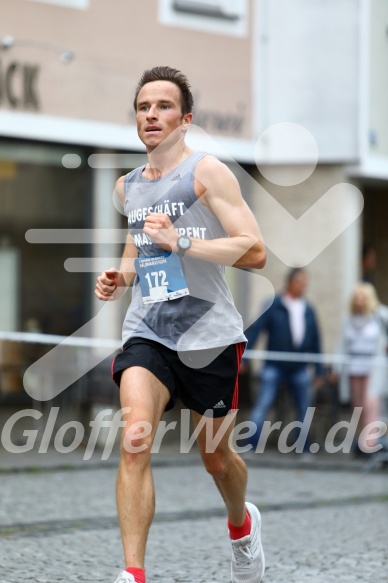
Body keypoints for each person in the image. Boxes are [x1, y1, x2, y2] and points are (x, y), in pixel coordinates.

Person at [95, 66, 267, 583]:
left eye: (164, 106)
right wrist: (117, 279)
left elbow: (255, 251)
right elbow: (136, 253)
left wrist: (183, 242)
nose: (152, 114)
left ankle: (242, 526)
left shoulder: (206, 172)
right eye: (144, 107)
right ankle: (133, 573)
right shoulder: (127, 187)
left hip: (209, 336)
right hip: (149, 329)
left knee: (215, 460)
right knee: (135, 439)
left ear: (185, 119)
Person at [244, 268, 323, 452]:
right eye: (301, 282)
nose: (304, 286)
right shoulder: (274, 304)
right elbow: (257, 330)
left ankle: (303, 447)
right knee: (263, 403)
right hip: (274, 365)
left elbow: (316, 341)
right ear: (290, 282)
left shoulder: (308, 309)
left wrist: (319, 370)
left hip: (299, 367)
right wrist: (245, 357)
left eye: (305, 282)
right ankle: (250, 444)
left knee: (304, 406)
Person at [336, 282, 388, 455]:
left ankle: (370, 444)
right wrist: (337, 367)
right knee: (358, 406)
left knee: (371, 403)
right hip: (354, 365)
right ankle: (362, 440)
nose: (359, 302)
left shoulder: (379, 315)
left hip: (373, 365)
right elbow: (342, 344)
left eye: (362, 298)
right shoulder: (349, 319)